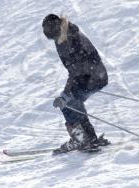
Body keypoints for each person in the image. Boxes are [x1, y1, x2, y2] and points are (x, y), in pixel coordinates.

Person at [42, 14, 110, 154]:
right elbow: (75, 69)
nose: (54, 39)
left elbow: (76, 69)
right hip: (91, 76)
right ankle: (89, 138)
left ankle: (80, 139)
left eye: (54, 36)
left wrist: (67, 93)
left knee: (68, 102)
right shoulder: (65, 35)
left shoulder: (69, 38)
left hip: (92, 77)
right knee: (73, 102)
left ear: (57, 28)